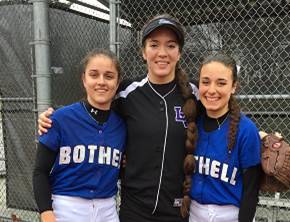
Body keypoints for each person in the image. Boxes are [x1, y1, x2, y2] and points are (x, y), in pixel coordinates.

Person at [37, 14, 198, 222]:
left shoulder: (196, 93)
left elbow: (221, 111)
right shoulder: (126, 92)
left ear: (179, 53)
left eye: (171, 45)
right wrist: (51, 117)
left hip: (178, 209)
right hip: (134, 210)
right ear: (143, 51)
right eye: (154, 44)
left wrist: (253, 135)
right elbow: (94, 107)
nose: (162, 53)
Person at [33, 48, 126, 222]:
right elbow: (40, 171)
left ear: (118, 82)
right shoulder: (60, 118)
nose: (101, 82)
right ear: (84, 79)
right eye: (94, 75)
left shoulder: (122, 124)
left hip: (107, 208)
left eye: (109, 76)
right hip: (66, 206)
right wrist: (46, 213)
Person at [189, 53, 261, 222]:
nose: (211, 90)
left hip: (230, 216)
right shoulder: (192, 123)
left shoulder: (246, 130)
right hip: (192, 213)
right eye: (205, 82)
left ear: (234, 86)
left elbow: (251, 191)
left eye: (221, 83)